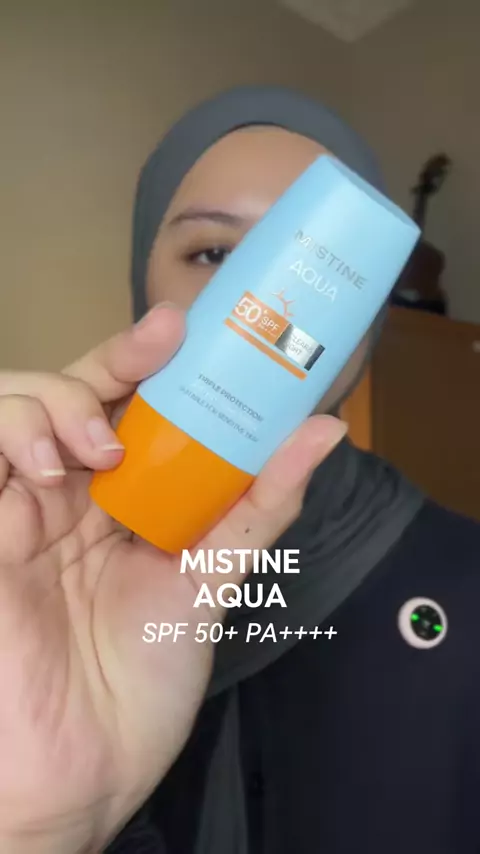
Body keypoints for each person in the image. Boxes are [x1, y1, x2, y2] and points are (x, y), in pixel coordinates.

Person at [0, 86, 478, 854]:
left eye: (325, 265)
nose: (272, 299)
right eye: (215, 254)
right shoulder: (43, 564)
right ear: (142, 282)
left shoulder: (465, 578)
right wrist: (32, 826)